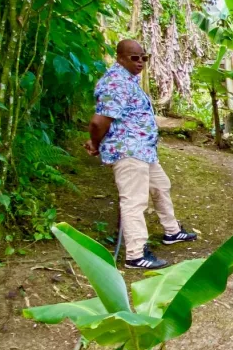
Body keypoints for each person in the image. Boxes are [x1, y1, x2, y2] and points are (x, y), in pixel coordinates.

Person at [84, 39, 197, 270]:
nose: (140, 62)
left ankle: (172, 231)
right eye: (134, 58)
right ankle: (135, 254)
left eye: (143, 58)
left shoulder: (129, 79)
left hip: (143, 149)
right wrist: (95, 143)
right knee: (134, 201)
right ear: (120, 58)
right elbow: (98, 122)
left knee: (161, 186)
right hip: (128, 150)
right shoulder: (115, 82)